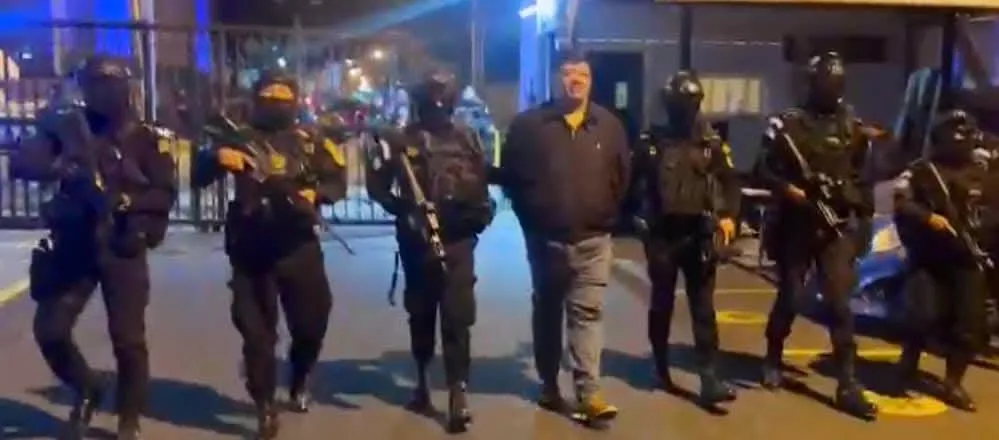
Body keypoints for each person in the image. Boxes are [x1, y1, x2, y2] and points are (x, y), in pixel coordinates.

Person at [11, 55, 178, 439]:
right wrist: (57, 166)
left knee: (128, 339)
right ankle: (87, 387)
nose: (104, 91)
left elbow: (164, 193)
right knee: (50, 330)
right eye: (95, 83)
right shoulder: (67, 127)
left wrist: (129, 204)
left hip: (123, 245)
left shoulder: (146, 137)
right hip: (75, 244)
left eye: (112, 82)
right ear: (84, 87)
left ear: (127, 87)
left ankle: (129, 417)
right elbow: (23, 163)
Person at [193, 71, 347, 439]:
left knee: (311, 324)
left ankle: (299, 376)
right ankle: (264, 404)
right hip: (251, 248)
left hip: (299, 245)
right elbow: (198, 176)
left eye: (283, 95)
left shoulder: (312, 141)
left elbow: (337, 182)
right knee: (256, 335)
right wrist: (217, 158)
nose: (276, 101)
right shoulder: (237, 138)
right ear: (256, 98)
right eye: (268, 94)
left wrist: (315, 195)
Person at [493, 49, 631, 429]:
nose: (575, 80)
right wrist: (533, 220)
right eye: (568, 74)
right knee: (548, 311)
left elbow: (622, 178)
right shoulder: (529, 127)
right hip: (545, 240)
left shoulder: (610, 126)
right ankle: (549, 383)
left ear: (590, 80)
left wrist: (604, 216)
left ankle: (589, 394)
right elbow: (512, 181)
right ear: (557, 78)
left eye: (582, 74)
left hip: (593, 240)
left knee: (587, 313)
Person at [366, 70, 494, 433]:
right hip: (416, 241)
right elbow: (377, 185)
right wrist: (402, 210)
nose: (439, 106)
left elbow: (481, 182)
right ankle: (422, 381)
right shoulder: (400, 140)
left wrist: (479, 212)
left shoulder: (468, 138)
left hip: (458, 240)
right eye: (433, 98)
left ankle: (458, 392)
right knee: (421, 313)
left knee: (458, 316)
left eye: (444, 98)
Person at [754, 51, 877, 419]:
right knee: (790, 295)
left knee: (840, 304)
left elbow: (864, 180)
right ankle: (773, 355)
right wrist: (790, 192)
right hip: (798, 224)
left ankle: (848, 381)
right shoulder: (787, 125)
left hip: (836, 226)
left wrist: (859, 221)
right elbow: (762, 170)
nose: (829, 90)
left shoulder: (852, 127)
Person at [631, 71, 740, 406]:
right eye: (681, 103)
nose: (686, 109)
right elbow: (633, 187)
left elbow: (730, 183)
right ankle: (660, 366)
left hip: (699, 234)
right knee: (662, 304)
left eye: (691, 103)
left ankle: (709, 377)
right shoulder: (651, 141)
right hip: (663, 235)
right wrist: (638, 221)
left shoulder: (712, 142)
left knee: (703, 308)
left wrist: (729, 218)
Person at [893, 109, 990, 411]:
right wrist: (927, 217)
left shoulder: (983, 172)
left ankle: (953, 383)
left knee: (970, 323)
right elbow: (895, 200)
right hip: (928, 258)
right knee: (924, 314)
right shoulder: (921, 171)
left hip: (967, 259)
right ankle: (910, 356)